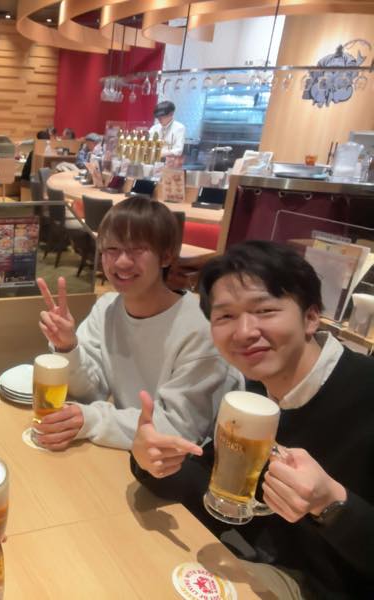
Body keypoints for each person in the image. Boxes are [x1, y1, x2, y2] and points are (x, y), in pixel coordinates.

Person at [131, 241, 374, 599]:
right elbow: (217, 493)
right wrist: (150, 461)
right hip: (256, 565)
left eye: (265, 310)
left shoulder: (364, 394)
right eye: (225, 317)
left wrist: (333, 505)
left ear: (311, 317)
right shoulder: (254, 389)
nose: (244, 332)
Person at [34, 196, 238, 451]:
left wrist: (94, 420)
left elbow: (181, 429)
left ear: (166, 256)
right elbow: (91, 392)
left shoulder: (201, 328)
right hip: (133, 451)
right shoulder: (107, 308)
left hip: (187, 462)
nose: (122, 262)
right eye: (112, 249)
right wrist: (68, 347)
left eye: (137, 250)